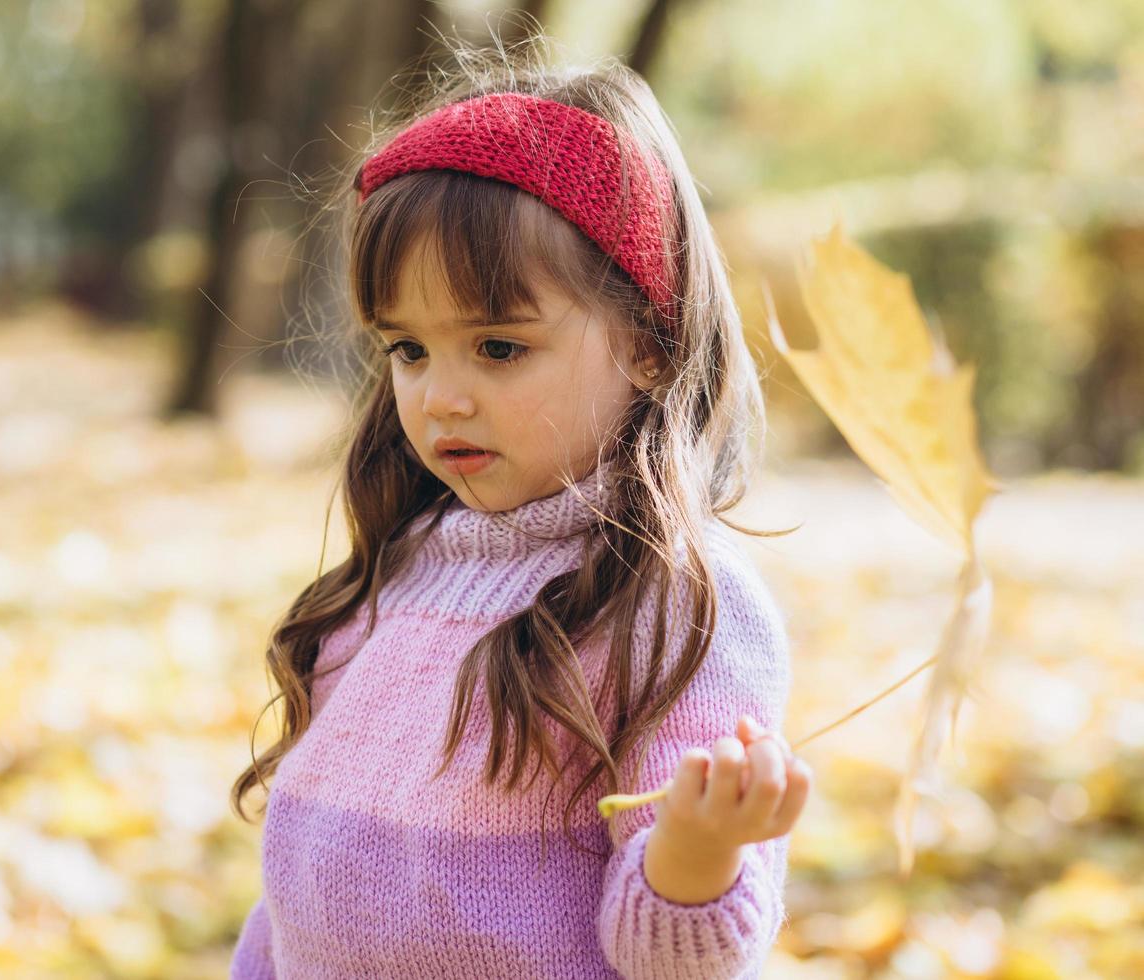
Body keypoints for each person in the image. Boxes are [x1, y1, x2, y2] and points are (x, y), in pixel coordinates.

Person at [226, 37, 813, 980]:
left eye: (498, 348)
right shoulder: (404, 566)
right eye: (408, 349)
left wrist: (700, 851)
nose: (439, 398)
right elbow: (298, 895)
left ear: (650, 346)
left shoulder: (675, 605)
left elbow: (682, 962)